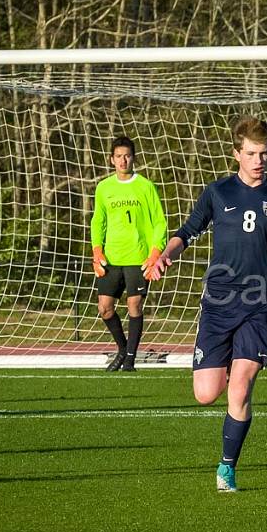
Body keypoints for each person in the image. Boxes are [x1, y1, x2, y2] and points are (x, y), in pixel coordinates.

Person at [146, 116, 267, 493]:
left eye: (264, 154)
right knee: (207, 394)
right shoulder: (218, 192)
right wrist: (166, 255)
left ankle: (227, 468)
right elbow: (187, 231)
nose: (259, 161)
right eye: (251, 154)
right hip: (218, 303)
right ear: (236, 154)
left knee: (239, 388)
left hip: (259, 303)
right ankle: (224, 358)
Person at [90, 136, 168, 372]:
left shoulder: (145, 186)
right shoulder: (104, 188)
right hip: (111, 259)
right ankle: (123, 349)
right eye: (118, 156)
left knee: (134, 305)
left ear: (133, 157)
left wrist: (155, 253)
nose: (123, 160)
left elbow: (159, 222)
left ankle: (130, 360)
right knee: (104, 308)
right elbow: (97, 222)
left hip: (138, 258)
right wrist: (96, 250)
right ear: (111, 160)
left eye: (127, 155)